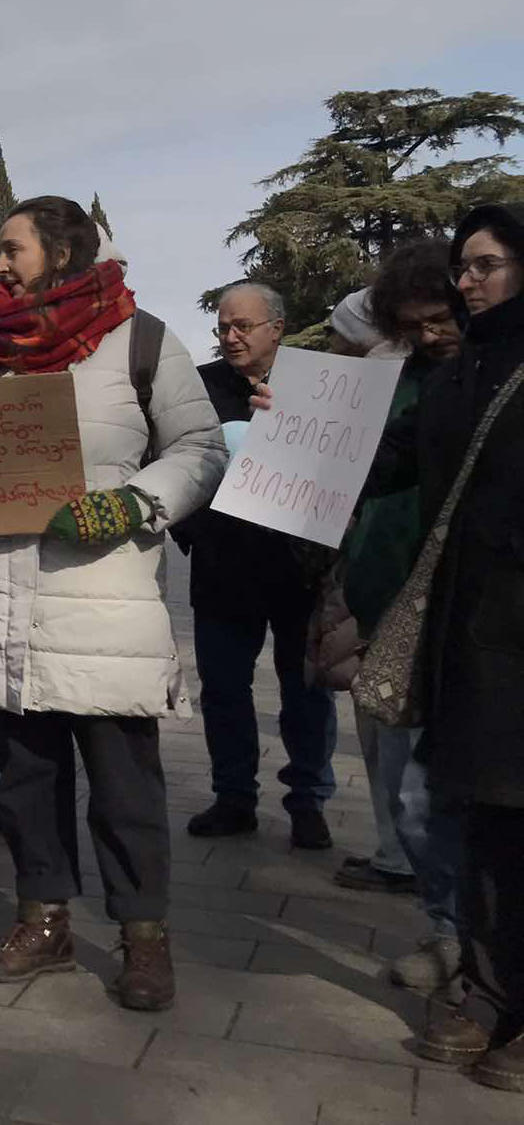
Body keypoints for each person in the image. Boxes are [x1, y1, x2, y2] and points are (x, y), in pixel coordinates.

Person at [0, 196, 225, 1012]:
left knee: (124, 787)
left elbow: (199, 449)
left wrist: (134, 503)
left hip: (103, 605)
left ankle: (144, 938)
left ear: (61, 254)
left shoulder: (141, 340)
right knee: (23, 782)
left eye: (11, 248)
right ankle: (44, 921)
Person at [363, 202, 524, 1092]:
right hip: (471, 641)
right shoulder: (461, 375)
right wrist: (305, 438)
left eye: (487, 264)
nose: (468, 282)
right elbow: (399, 463)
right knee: (488, 822)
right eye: (463, 266)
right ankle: (493, 993)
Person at [317, 246, 466, 1000]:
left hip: (475, 615)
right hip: (391, 603)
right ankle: (450, 937)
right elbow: (379, 467)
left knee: (456, 790)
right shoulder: (399, 381)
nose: (433, 336)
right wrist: (301, 439)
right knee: (411, 793)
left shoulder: (492, 378)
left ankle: (478, 948)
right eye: (416, 326)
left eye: (442, 319)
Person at [173, 282, 338, 849]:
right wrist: (193, 531)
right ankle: (233, 797)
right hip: (223, 566)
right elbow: (169, 457)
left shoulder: (318, 386)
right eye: (223, 326)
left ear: (278, 328)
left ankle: (309, 802)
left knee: (307, 690)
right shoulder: (195, 387)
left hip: (300, 568)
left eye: (243, 325)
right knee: (223, 688)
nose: (231, 336)